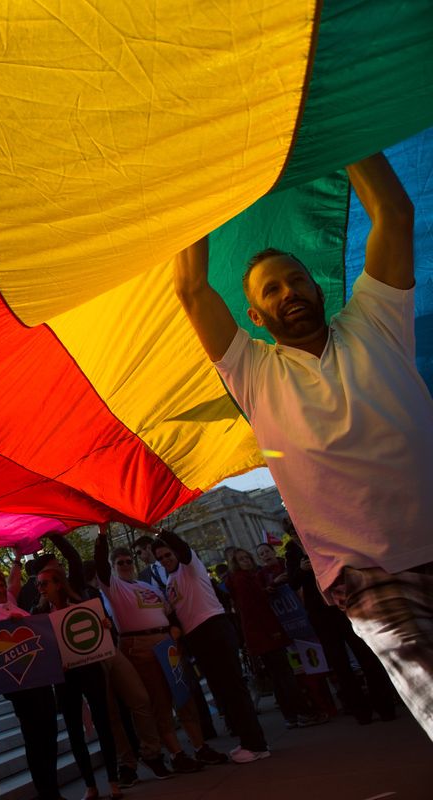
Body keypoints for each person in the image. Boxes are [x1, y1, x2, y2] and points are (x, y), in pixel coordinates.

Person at [173, 152, 433, 738]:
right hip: (370, 578)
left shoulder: (375, 319)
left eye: (295, 279)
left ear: (317, 287)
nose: (287, 290)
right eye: (272, 288)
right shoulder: (253, 371)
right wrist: (195, 173)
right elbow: (191, 289)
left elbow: (392, 210)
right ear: (255, 316)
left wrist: (337, 129)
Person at [94, 529, 225, 773]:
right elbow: (100, 565)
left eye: (128, 561)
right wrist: (102, 536)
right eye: (119, 563)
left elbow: (169, 610)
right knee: (160, 702)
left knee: (183, 698)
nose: (124, 565)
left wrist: (174, 629)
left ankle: (200, 747)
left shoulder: (149, 586)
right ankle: (176, 754)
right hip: (139, 645)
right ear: (113, 567)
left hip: (167, 643)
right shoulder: (113, 587)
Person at [153, 531, 269, 762]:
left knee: (234, 688)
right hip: (197, 637)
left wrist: (159, 531)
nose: (166, 560)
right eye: (161, 558)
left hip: (214, 628)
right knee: (225, 691)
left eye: (168, 554)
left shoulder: (190, 566)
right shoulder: (170, 581)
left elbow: (183, 548)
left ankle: (257, 745)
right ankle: (247, 741)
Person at [284, 538, 397, 724]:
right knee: (339, 664)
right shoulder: (292, 553)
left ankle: (385, 706)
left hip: (344, 605)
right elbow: (293, 582)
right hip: (319, 612)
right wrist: (302, 570)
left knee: (366, 655)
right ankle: (361, 711)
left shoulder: (326, 539)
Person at [34, 565, 123, 800]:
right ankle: (91, 786)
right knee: (74, 731)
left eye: (44, 583)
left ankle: (113, 780)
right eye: (38, 584)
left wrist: (104, 628)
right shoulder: (39, 617)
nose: (39, 588)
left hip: (90, 670)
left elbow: (103, 636)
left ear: (58, 585)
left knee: (103, 723)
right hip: (64, 678)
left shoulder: (83, 609)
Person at [0, 557, 63, 800]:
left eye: (0, 585)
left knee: (49, 735)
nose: (0, 590)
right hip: (22, 688)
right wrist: (13, 627)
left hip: (41, 680)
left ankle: (52, 789)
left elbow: (14, 583)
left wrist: (16, 558)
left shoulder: (10, 603)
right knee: (36, 739)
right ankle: (46, 792)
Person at [225, 548, 323, 729]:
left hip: (260, 634)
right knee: (284, 675)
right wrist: (273, 631)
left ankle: (291, 716)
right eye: (241, 559)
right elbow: (255, 609)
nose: (246, 560)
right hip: (265, 633)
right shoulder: (242, 579)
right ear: (234, 562)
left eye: (247, 557)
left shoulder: (244, 578)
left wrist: (265, 590)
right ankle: (301, 712)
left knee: (279, 677)